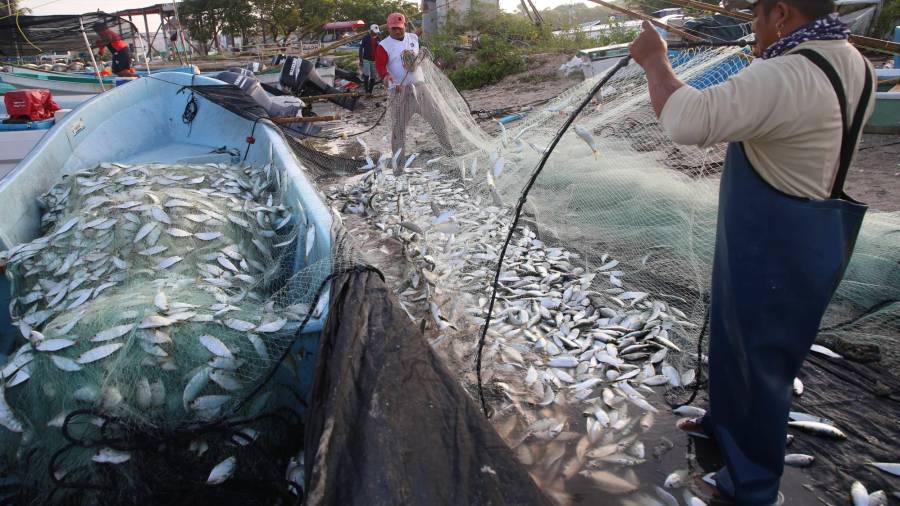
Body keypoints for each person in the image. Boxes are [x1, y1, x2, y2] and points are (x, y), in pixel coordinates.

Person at [630, 0, 874, 503]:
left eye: (756, 18)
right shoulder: (851, 59)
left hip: (778, 240)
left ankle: (752, 483)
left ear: (781, 13)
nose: (752, 30)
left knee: (763, 361)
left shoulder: (787, 75)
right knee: (732, 331)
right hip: (797, 228)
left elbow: (686, 123)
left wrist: (655, 60)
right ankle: (723, 423)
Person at [375, 12, 452, 172]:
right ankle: (399, 166)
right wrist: (386, 77)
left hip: (420, 87)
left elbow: (418, 56)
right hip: (400, 91)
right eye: (393, 29)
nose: (397, 31)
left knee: (437, 118)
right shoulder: (383, 45)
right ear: (389, 28)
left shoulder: (413, 38)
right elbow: (381, 67)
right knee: (398, 129)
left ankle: (449, 152)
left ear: (404, 26)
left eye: (399, 28)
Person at [359, 24, 381, 94]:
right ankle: (366, 91)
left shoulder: (378, 39)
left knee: (373, 76)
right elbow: (360, 49)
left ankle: (370, 91)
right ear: (371, 30)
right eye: (374, 31)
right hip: (366, 59)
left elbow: (381, 49)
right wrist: (361, 60)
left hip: (374, 60)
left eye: (376, 32)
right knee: (366, 75)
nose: (376, 33)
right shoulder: (365, 38)